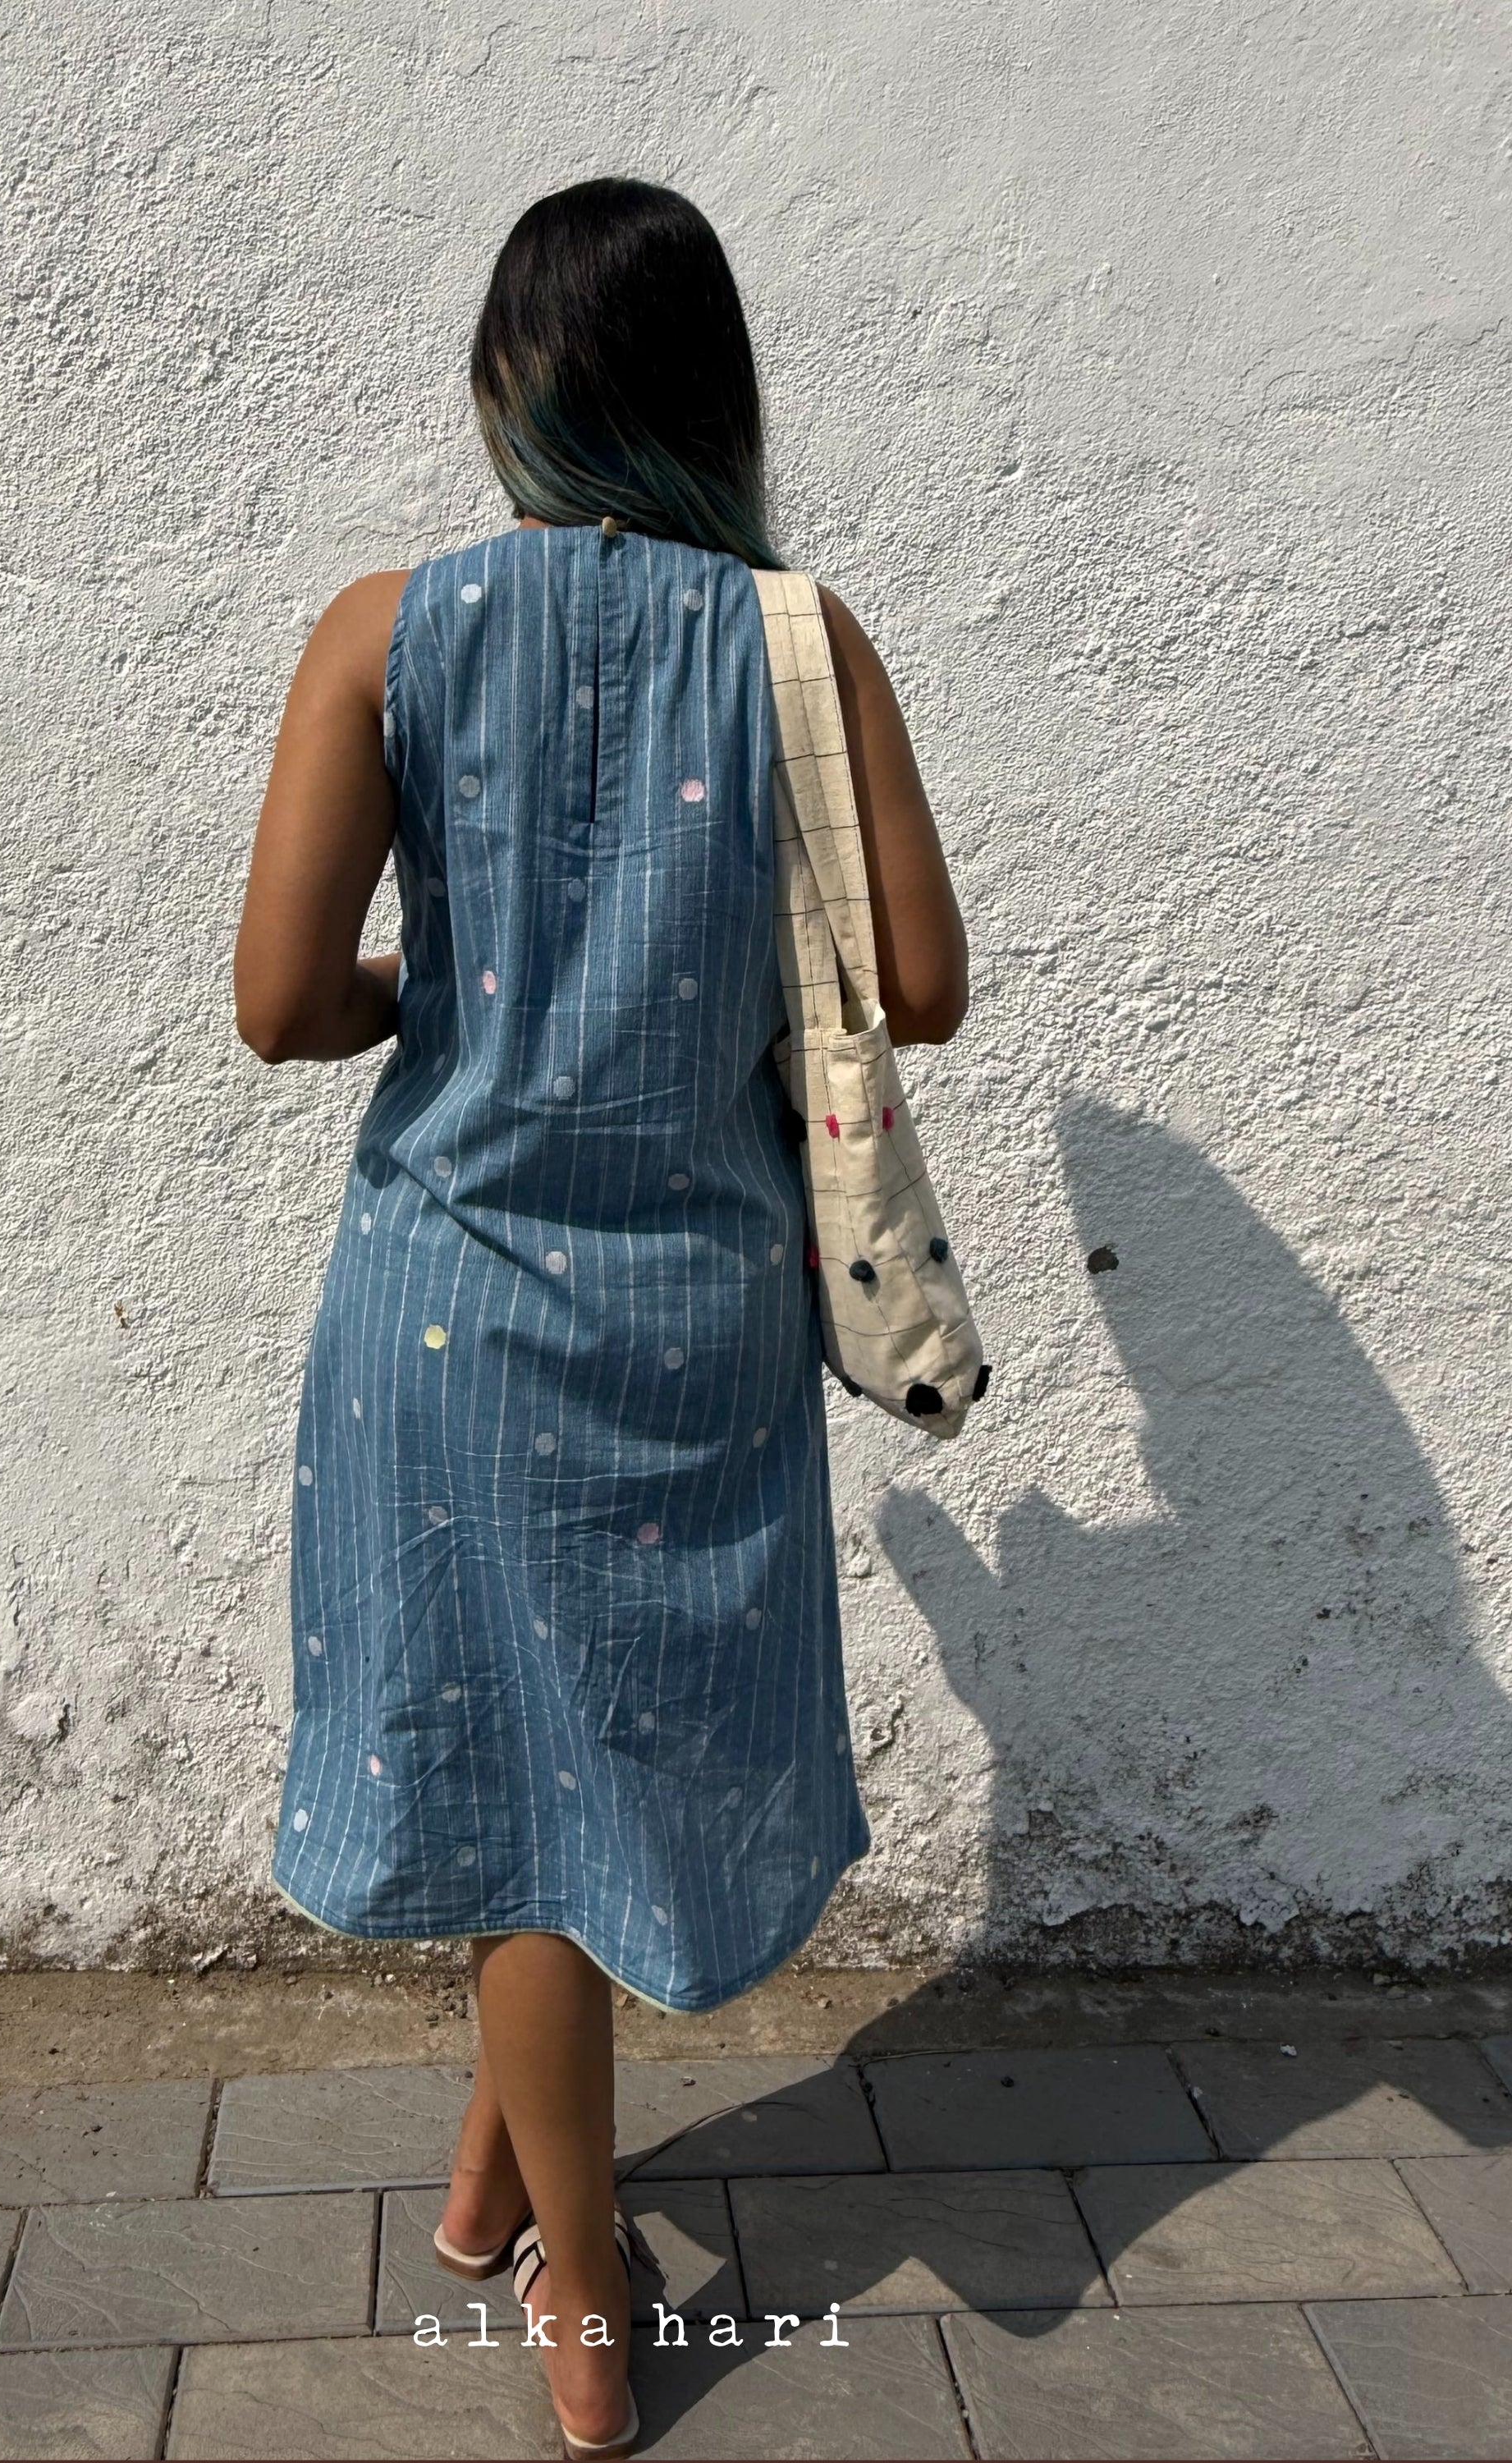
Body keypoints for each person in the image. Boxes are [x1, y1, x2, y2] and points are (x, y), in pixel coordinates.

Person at [233, 177, 969, 2460]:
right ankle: (540, 2224)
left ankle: (564, 2272)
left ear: (507, 385)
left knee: (511, 1783)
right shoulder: (799, 639)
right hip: (691, 1301)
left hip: (444, 1300)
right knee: (588, 1776)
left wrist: (448, 986)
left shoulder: (385, 625)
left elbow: (276, 1007)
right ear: (706, 393)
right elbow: (918, 986)